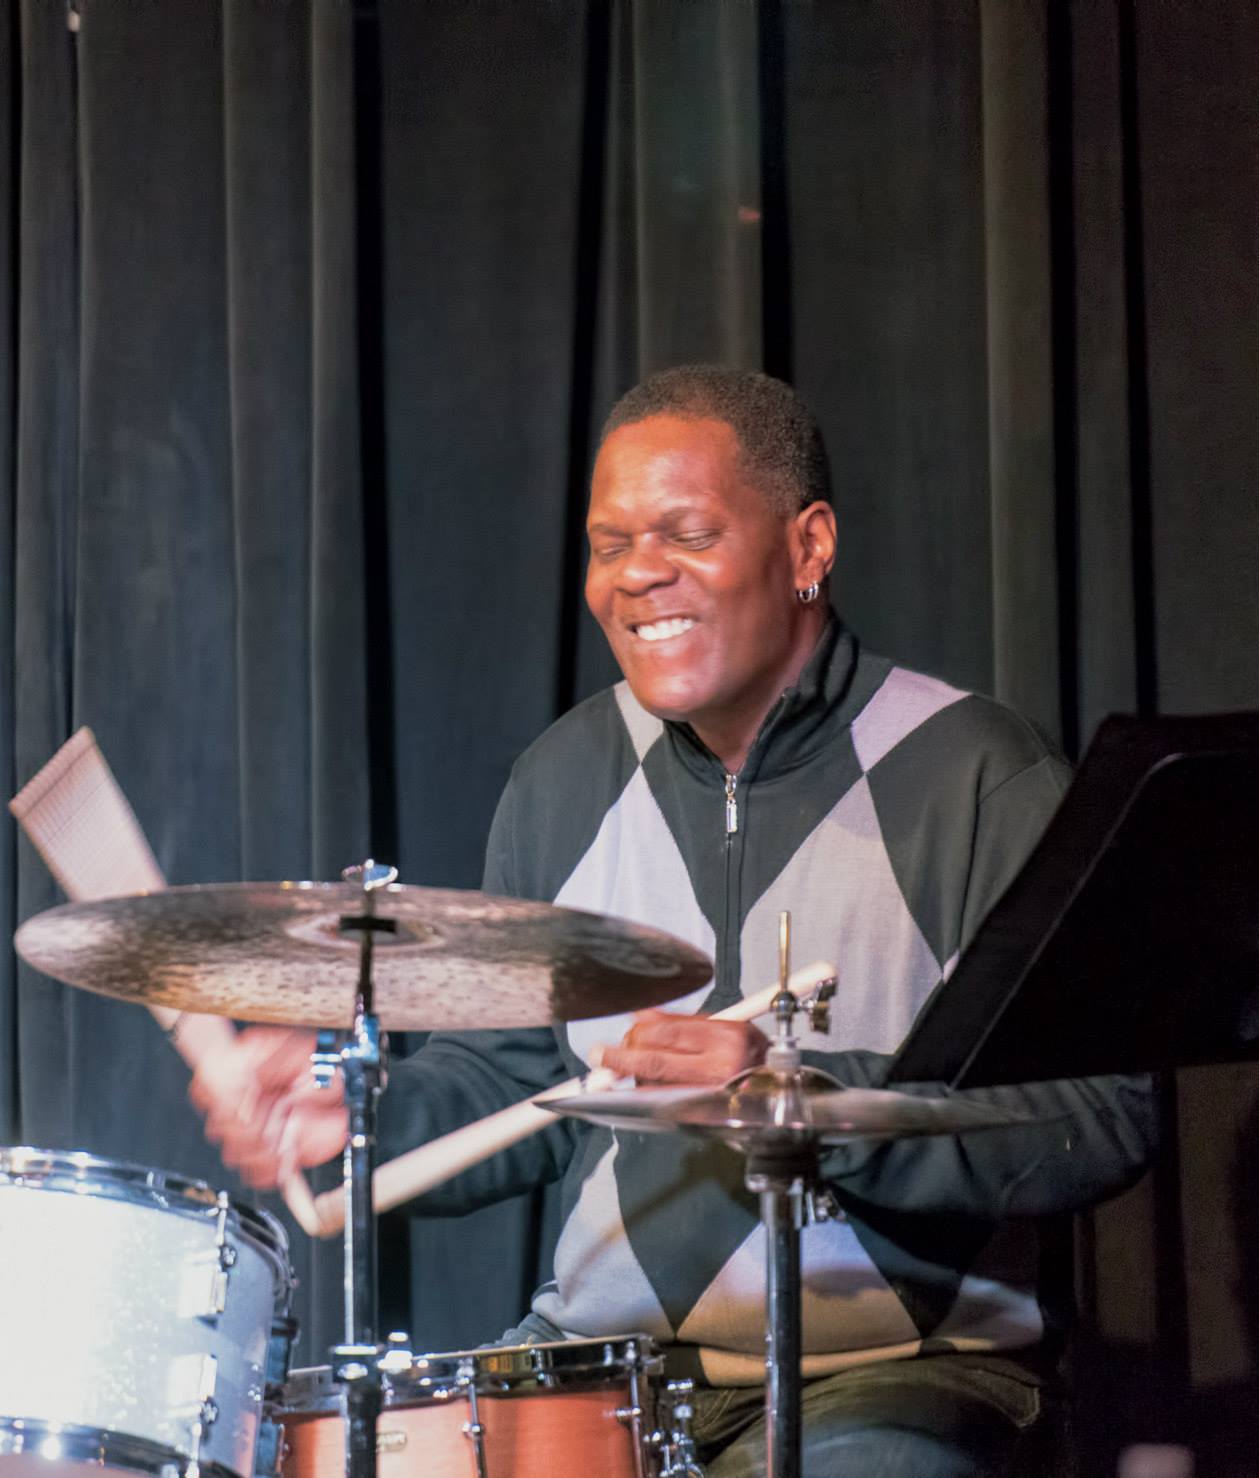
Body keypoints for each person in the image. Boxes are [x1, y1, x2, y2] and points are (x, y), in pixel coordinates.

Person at [196, 365, 1156, 1477]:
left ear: (806, 548)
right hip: (600, 1369)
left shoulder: (974, 772)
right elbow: (523, 1082)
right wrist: (354, 1111)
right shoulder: (562, 778)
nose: (637, 573)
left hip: (899, 1372)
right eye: (608, 544)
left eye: (685, 532)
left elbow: (1100, 1111)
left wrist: (797, 1098)